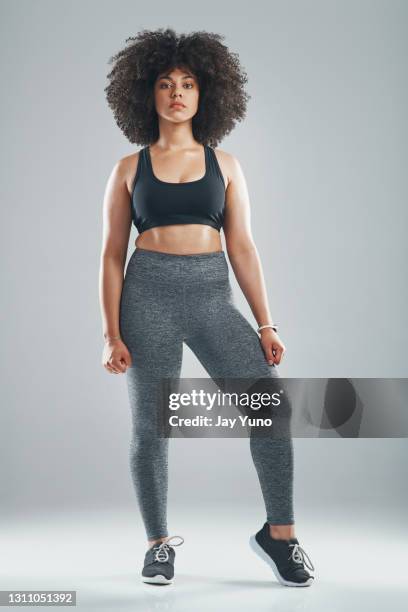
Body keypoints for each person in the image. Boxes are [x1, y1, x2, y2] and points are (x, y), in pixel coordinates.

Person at [99, 28, 315, 587]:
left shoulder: (228, 165)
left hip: (211, 293)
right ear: (147, 94)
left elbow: (242, 246)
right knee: (152, 427)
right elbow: (110, 255)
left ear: (205, 94)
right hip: (147, 295)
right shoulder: (128, 168)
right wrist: (110, 334)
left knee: (269, 408)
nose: (177, 92)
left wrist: (265, 321)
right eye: (166, 83)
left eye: (188, 83)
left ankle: (281, 535)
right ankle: (158, 544)